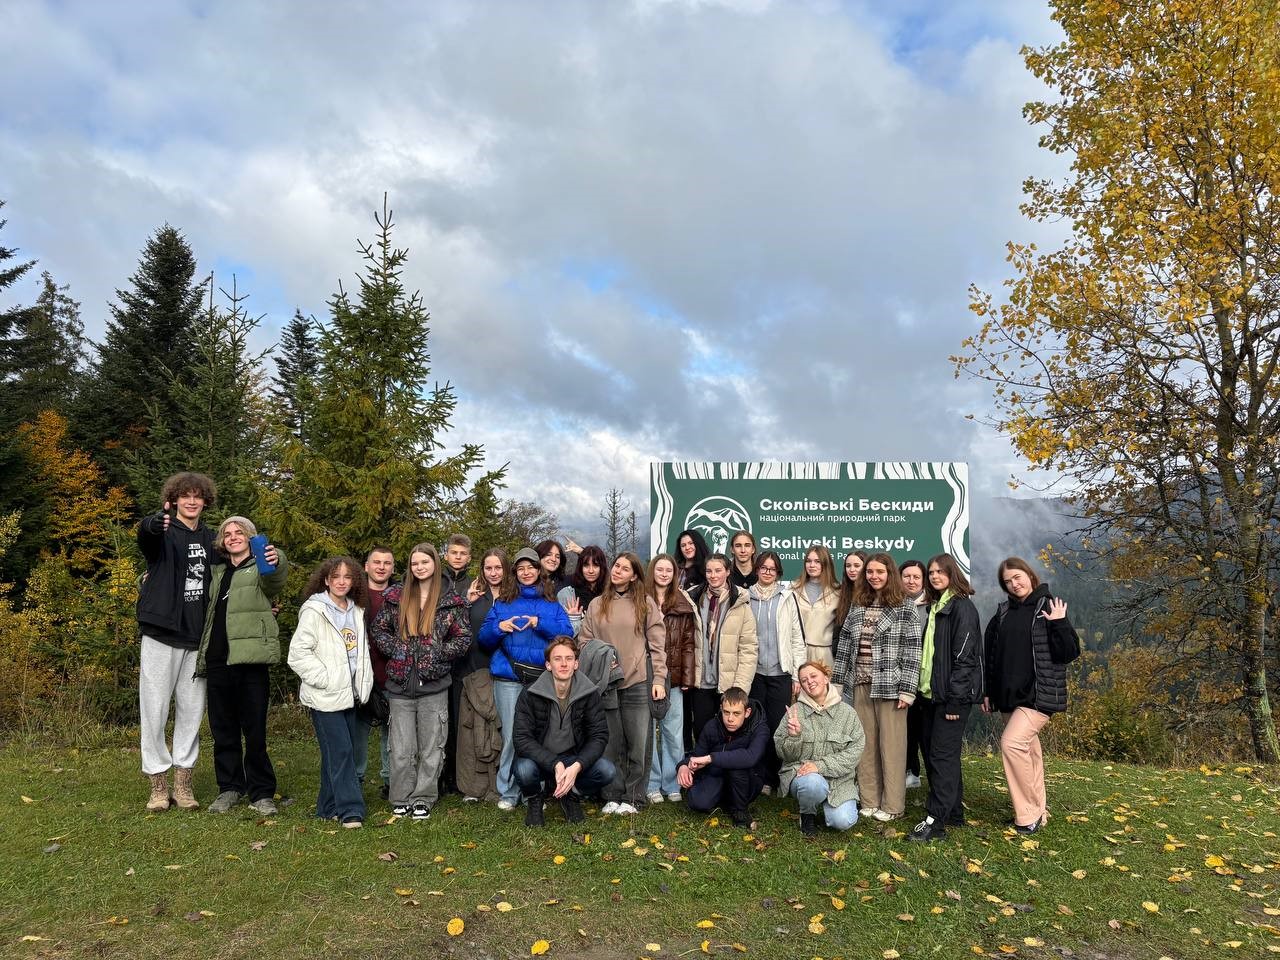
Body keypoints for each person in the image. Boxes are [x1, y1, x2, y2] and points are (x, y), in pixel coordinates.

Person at [136, 471, 219, 813]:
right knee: (154, 709)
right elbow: (146, 534)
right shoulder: (163, 532)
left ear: (205, 501)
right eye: (185, 495)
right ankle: (158, 784)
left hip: (197, 638)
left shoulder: (213, 540)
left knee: (191, 710)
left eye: (197, 495)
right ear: (173, 500)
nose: (192, 500)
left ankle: (183, 782)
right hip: (160, 632)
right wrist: (155, 522)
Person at [195, 516, 288, 816]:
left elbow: (275, 579)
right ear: (222, 541)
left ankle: (261, 793)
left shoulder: (260, 567)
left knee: (255, 731)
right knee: (223, 730)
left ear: (250, 537)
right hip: (218, 660)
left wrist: (277, 558)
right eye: (228, 534)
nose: (233, 537)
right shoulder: (217, 572)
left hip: (251, 661)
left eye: (239, 532)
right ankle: (230, 789)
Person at [372, 543, 471, 819]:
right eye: (415, 563)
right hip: (401, 684)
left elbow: (462, 637)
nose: (419, 567)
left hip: (433, 683)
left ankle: (424, 797)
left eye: (424, 562)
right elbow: (379, 629)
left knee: (432, 745)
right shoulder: (396, 596)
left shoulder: (450, 600)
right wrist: (398, 650)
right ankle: (401, 796)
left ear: (434, 564)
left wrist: (438, 653)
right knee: (401, 747)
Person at [982, 557, 1080, 835]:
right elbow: (991, 658)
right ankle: (1040, 811)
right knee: (1030, 752)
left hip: (1038, 696)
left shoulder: (1048, 607)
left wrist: (1060, 624)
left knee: (1012, 744)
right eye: (1008, 582)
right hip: (1008, 697)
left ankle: (1027, 815)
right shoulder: (1002, 614)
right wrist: (988, 692)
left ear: (1029, 574)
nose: (1014, 584)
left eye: (1017, 577)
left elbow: (1069, 653)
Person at [478, 548, 575, 810]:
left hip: (541, 680)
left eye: (531, 567)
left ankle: (535, 791)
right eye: (521, 569)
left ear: (539, 570)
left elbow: (567, 634)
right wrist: (499, 628)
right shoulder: (503, 602)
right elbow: (483, 640)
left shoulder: (551, 603)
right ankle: (508, 791)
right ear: (515, 573)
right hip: (509, 679)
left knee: (539, 737)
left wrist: (538, 622)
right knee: (511, 735)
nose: (526, 572)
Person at [832, 552, 922, 822]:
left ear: (889, 574)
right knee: (866, 744)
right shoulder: (859, 603)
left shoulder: (905, 606)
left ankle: (893, 805)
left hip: (891, 686)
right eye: (869, 572)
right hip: (861, 683)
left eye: (879, 572)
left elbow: (912, 651)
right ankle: (869, 800)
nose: (874, 576)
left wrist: (908, 689)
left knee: (892, 747)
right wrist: (837, 681)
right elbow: (846, 644)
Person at [579, 552, 668, 814]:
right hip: (606, 683)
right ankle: (612, 794)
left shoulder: (645, 603)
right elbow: (584, 641)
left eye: (625, 568)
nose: (618, 571)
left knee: (638, 744)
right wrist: (604, 656)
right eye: (616, 565)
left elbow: (658, 645)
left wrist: (659, 678)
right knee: (611, 742)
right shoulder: (597, 604)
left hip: (638, 681)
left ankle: (633, 797)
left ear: (634, 575)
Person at [288, 557, 373, 828]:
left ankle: (327, 807)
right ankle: (351, 810)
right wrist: (325, 679)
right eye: (336, 576)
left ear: (353, 581)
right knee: (342, 751)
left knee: (334, 754)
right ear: (326, 579)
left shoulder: (356, 610)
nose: (341, 582)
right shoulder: (314, 610)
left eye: (347, 577)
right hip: (325, 695)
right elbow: (297, 654)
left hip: (350, 693)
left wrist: (361, 682)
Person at [908, 553, 982, 842]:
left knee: (941, 756)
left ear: (953, 574)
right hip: (930, 696)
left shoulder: (962, 608)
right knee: (940, 757)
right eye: (931, 572)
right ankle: (953, 813)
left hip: (951, 699)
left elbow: (965, 660)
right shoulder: (937, 606)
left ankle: (934, 822)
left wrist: (954, 701)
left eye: (941, 571)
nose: (935, 576)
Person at [512, 637, 616, 827]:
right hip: (541, 759)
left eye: (569, 659)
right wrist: (554, 763)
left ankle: (572, 795)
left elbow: (599, 735)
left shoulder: (589, 692)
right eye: (557, 659)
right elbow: (521, 738)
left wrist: (577, 766)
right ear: (548, 665)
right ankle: (535, 800)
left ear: (576, 664)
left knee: (606, 770)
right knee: (523, 769)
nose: (563, 664)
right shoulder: (530, 693)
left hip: (572, 759)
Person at [775, 661, 865, 836]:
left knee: (843, 821)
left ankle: (831, 805)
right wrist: (795, 737)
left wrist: (821, 766)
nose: (809, 681)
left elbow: (855, 751)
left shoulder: (848, 713)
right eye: (803, 680)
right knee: (813, 784)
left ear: (826, 677)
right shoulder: (794, 712)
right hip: (804, 777)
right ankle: (807, 813)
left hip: (838, 780)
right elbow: (782, 753)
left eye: (813, 676)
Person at [745, 551, 804, 792]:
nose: (767, 572)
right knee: (757, 726)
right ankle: (757, 776)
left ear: (778, 572)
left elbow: (797, 638)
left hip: (781, 673)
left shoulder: (788, 598)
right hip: (754, 673)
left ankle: (774, 776)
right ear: (757, 569)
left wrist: (797, 673)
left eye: (772, 568)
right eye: (763, 567)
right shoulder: (745, 597)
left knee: (778, 726)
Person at [686, 553, 758, 744]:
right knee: (701, 733)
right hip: (701, 682)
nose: (713, 575)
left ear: (727, 572)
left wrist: (739, 688)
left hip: (728, 684)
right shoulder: (693, 598)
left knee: (729, 739)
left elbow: (748, 649)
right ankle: (703, 772)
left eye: (718, 570)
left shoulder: (740, 603)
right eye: (709, 571)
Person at [677, 687, 769, 828]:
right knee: (698, 802)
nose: (730, 719)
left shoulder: (759, 727)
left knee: (737, 764)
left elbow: (751, 757)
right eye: (726, 712)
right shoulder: (712, 726)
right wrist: (683, 766)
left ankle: (740, 811)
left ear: (747, 712)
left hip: (747, 780)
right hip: (717, 775)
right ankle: (724, 801)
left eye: (736, 713)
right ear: (721, 708)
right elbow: (698, 755)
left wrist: (711, 758)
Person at [645, 553, 697, 804]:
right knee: (648, 732)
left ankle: (672, 782)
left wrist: (687, 677)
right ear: (652, 571)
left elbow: (688, 643)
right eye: (660, 569)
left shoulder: (682, 603)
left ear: (674, 575)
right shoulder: (640, 600)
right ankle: (652, 783)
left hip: (674, 675)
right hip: (646, 675)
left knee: (673, 731)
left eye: (669, 570)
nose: (664, 574)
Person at [457, 548, 507, 803]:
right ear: (482, 570)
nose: (494, 572)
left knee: (501, 730)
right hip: (476, 670)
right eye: (489, 568)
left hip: (506, 672)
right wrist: (467, 601)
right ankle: (475, 786)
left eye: (498, 567)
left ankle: (501, 784)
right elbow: (459, 629)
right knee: (474, 730)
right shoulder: (476, 598)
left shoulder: (513, 597)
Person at [354, 546, 395, 800]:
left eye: (387, 563)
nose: (381, 567)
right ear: (366, 566)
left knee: (391, 735)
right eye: (376, 562)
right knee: (358, 732)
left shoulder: (400, 596)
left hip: (391, 675)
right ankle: (355, 780)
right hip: (359, 675)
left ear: (392, 568)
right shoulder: (354, 596)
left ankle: (391, 781)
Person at [439, 533, 475, 798]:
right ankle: (439, 775)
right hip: (439, 656)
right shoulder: (437, 581)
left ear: (469, 557)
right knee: (440, 721)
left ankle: (456, 775)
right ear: (446, 554)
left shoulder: (475, 582)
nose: (458, 557)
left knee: (458, 718)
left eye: (462, 554)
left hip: (464, 660)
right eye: (454, 553)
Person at [899, 559, 928, 791]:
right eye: (906, 576)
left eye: (916, 577)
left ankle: (916, 771)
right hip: (900, 675)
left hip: (924, 677)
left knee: (920, 728)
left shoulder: (931, 605)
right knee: (904, 726)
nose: (911, 581)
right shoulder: (895, 603)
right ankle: (908, 769)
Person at [792, 545, 841, 675]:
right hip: (798, 653)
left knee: (826, 694)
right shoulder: (792, 590)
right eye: (808, 561)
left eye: (817, 561)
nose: (812, 565)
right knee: (797, 695)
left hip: (826, 655)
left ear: (826, 564)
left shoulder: (838, 592)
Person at [557, 544, 607, 635]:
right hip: (576, 647)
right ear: (580, 567)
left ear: (601, 568)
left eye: (595, 566)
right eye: (586, 566)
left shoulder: (609, 593)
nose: (591, 571)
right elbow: (561, 634)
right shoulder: (567, 594)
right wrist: (574, 619)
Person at [831, 550, 868, 666]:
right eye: (848, 566)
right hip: (842, 658)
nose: (852, 570)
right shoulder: (840, 593)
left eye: (857, 566)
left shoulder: (873, 594)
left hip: (866, 658)